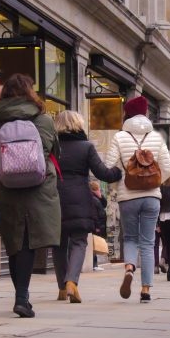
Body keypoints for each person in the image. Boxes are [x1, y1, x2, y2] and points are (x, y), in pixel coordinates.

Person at [0, 74, 61, 317]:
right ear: (30, 92)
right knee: (28, 243)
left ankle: (21, 296)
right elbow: (53, 153)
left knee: (15, 244)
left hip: (6, 190)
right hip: (39, 187)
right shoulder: (44, 119)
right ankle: (22, 298)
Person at [103, 96, 170, 303]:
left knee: (131, 238)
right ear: (145, 114)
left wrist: (120, 184)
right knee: (148, 241)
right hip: (152, 198)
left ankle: (129, 268)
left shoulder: (120, 137)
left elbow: (109, 166)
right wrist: (155, 182)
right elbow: (168, 167)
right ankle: (145, 290)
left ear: (127, 114)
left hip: (128, 197)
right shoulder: (157, 137)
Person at [52, 111, 121, 303]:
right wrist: (119, 172)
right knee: (79, 241)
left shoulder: (52, 146)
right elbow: (103, 173)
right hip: (80, 199)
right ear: (78, 124)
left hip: (54, 198)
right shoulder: (86, 147)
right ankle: (72, 282)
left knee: (58, 244)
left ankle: (61, 288)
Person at [91, 181, 108, 271]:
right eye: (98, 189)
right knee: (94, 245)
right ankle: (94, 264)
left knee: (95, 245)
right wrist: (97, 226)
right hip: (96, 226)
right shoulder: (93, 199)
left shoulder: (96, 198)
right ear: (94, 189)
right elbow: (94, 214)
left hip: (98, 225)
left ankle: (95, 264)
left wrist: (101, 196)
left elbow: (104, 204)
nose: (99, 190)